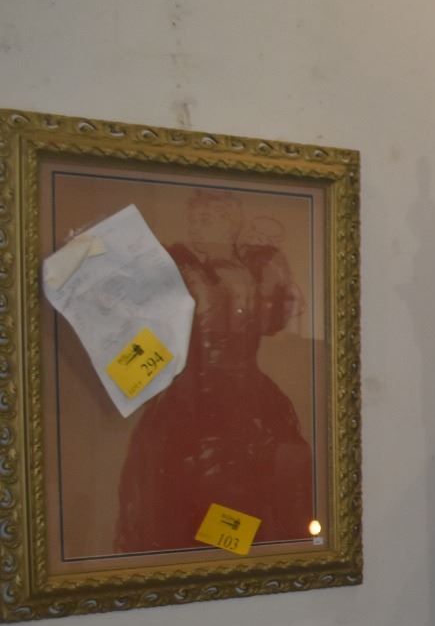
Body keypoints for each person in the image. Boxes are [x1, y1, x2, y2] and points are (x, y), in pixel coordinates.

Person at [114, 189, 313, 553]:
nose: (195, 227)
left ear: (230, 224)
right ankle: (194, 559)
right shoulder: (181, 265)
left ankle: (239, 555)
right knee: (176, 487)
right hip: (188, 397)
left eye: (205, 219)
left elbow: (278, 321)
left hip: (246, 399)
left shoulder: (260, 267)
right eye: (193, 219)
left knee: (248, 487)